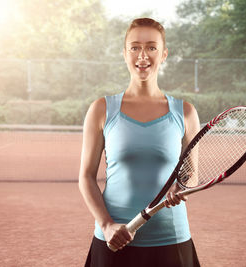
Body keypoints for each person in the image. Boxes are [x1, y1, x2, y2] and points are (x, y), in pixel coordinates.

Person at [79, 17, 201, 267]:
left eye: (151, 47)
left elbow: (193, 174)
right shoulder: (102, 109)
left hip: (171, 238)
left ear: (164, 54)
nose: (142, 55)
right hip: (114, 239)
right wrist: (107, 225)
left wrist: (182, 187)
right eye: (135, 47)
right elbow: (86, 177)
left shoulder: (185, 112)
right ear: (124, 54)